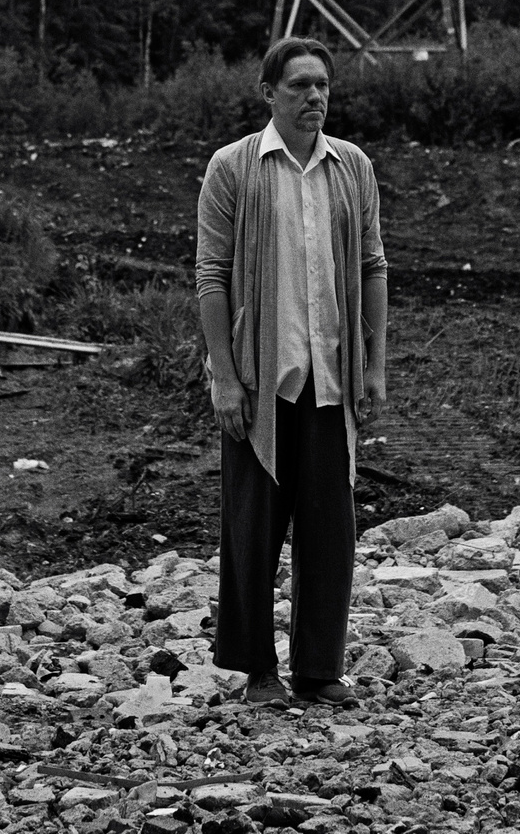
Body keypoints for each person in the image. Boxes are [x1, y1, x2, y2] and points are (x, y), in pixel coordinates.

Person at [193, 35, 389, 707]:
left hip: (331, 376)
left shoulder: (351, 168)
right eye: (301, 85)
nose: (315, 97)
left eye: (323, 86)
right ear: (269, 92)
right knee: (252, 527)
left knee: (330, 530)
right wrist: (223, 374)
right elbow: (211, 275)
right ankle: (259, 672)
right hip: (261, 376)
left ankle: (317, 670)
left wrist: (374, 366)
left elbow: (371, 265)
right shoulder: (234, 168)